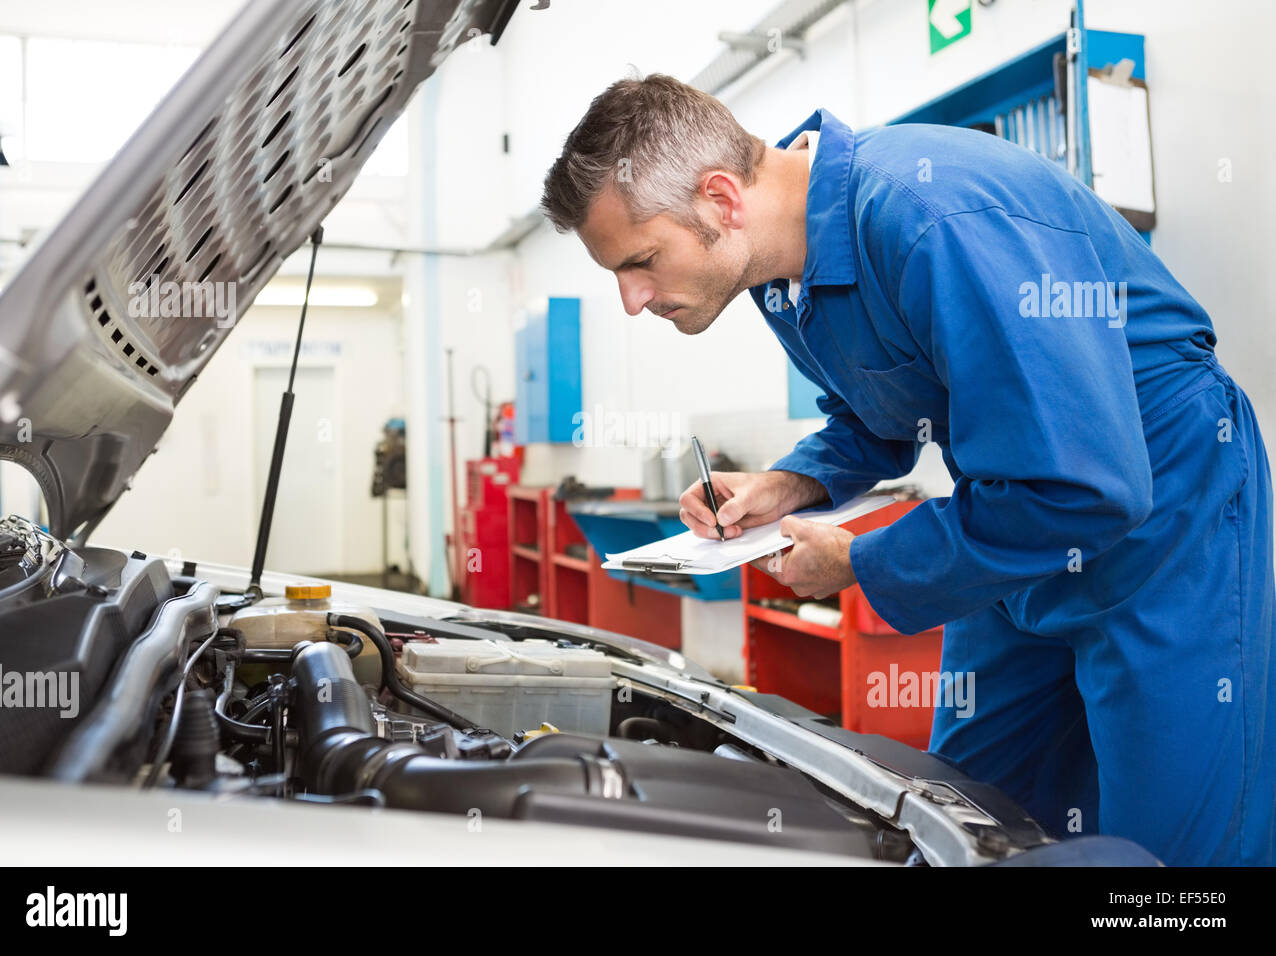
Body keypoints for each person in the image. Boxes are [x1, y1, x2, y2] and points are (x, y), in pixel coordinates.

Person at [539, 73, 1275, 866]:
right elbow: (881, 413)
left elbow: (1086, 482)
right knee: (970, 809)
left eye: (641, 260)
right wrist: (788, 484)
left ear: (721, 200)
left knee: (1176, 844)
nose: (631, 299)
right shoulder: (782, 277)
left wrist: (864, 561)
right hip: (1009, 512)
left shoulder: (932, 219)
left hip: (1162, 498)